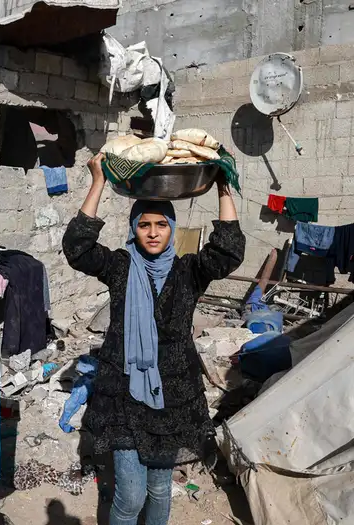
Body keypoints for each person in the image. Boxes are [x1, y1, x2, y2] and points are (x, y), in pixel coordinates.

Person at [62, 153, 245, 525]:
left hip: (172, 397)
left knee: (160, 490)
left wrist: (224, 188)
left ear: (171, 229)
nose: (153, 232)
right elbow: (77, 249)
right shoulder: (120, 268)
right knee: (129, 498)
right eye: (144, 224)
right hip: (125, 395)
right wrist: (98, 182)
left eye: (161, 224)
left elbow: (227, 252)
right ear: (133, 228)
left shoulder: (190, 272)